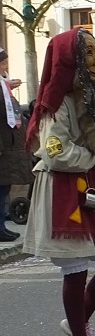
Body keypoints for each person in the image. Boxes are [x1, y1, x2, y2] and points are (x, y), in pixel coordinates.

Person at [22, 28, 95, 336]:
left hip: (91, 184)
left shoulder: (91, 94)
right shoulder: (57, 103)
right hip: (64, 187)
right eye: (89, 54)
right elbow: (54, 152)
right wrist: (91, 158)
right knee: (76, 267)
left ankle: (76, 319)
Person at [0, 48, 32, 241]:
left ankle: (1, 224)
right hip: (4, 145)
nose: (5, 66)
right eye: (3, 63)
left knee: (4, 187)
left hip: (10, 145)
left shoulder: (3, 85)